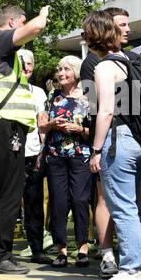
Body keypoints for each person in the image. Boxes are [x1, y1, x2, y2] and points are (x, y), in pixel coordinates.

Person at [0, 3, 49, 274]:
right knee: (9, 192)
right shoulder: (2, 39)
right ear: (13, 22)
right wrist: (42, 15)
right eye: (22, 22)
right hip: (5, 127)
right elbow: (36, 28)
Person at [86, 11, 141, 280]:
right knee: (134, 207)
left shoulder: (104, 67)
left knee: (122, 207)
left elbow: (105, 112)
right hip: (140, 140)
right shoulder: (130, 61)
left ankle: (130, 270)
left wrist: (97, 149)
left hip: (119, 138)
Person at [41, 55, 93, 267]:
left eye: (66, 69)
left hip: (81, 155)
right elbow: (41, 127)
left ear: (76, 72)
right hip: (56, 156)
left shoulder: (89, 98)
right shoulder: (52, 96)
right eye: (59, 69)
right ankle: (61, 248)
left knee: (81, 200)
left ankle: (83, 247)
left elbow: (97, 131)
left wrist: (80, 129)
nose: (61, 73)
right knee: (59, 202)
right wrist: (52, 124)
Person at [17, 49, 51, 264]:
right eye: (22, 64)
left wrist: (42, 150)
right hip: (10, 154)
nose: (27, 68)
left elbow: (42, 124)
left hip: (32, 154)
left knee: (34, 202)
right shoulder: (6, 89)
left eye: (30, 64)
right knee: (9, 202)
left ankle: (36, 247)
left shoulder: (38, 92)